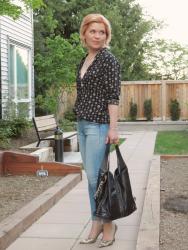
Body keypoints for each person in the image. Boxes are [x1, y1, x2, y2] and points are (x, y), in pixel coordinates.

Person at [73, 13, 121, 248]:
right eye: (93, 31)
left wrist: (113, 129)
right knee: (93, 180)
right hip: (82, 125)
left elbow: (113, 97)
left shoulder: (108, 60)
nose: (98, 36)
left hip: (99, 125)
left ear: (106, 36)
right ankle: (97, 223)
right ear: (84, 33)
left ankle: (107, 224)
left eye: (102, 32)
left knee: (96, 179)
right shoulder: (83, 61)